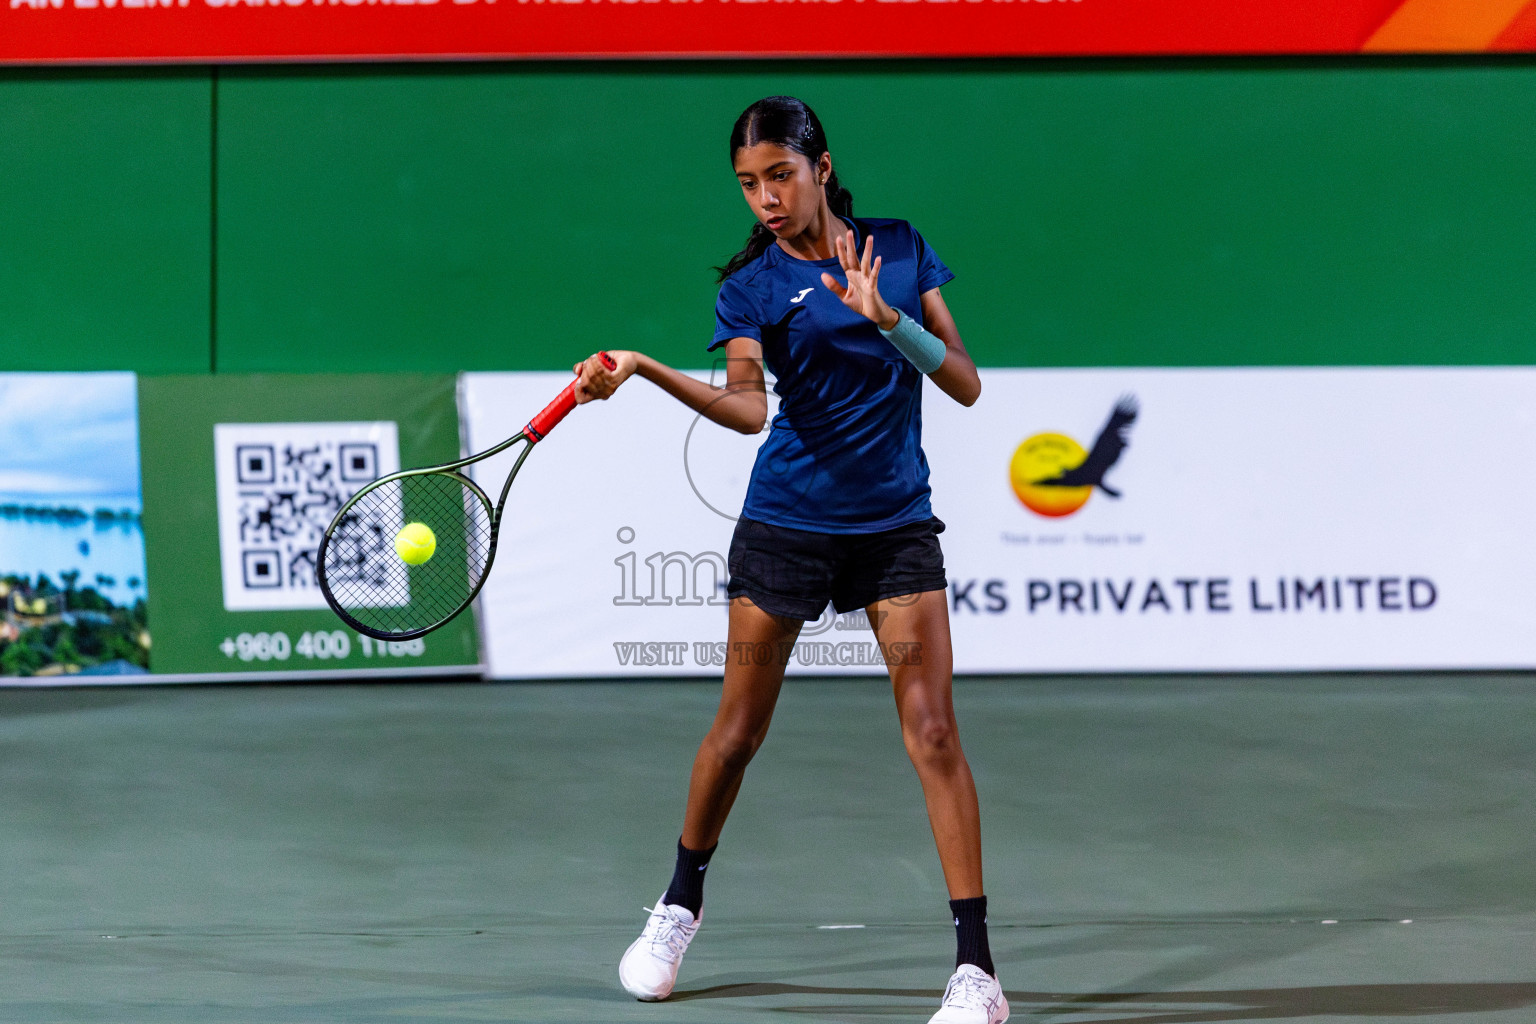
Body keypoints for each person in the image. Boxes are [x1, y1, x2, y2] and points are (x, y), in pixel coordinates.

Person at [572, 95, 1006, 1024]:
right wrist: (646, 368)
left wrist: (890, 318)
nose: (765, 197)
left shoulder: (897, 245)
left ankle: (977, 973)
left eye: (778, 174)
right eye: (747, 183)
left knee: (933, 733)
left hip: (895, 527)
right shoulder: (753, 289)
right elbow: (746, 408)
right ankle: (678, 906)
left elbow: (964, 384)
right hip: (786, 527)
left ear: (820, 166)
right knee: (736, 735)